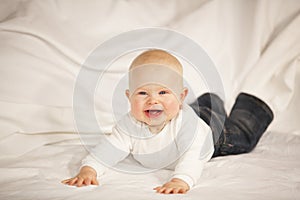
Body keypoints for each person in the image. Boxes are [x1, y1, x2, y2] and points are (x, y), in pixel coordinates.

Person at [62, 49, 274, 194]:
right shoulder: (129, 126)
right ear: (128, 97)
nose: (153, 100)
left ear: (181, 96)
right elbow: (109, 148)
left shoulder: (188, 128)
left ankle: (250, 105)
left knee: (241, 135)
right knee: (209, 107)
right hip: (191, 111)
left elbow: (193, 155)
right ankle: (210, 100)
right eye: (143, 92)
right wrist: (89, 169)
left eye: (163, 91)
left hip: (210, 133)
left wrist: (182, 179)